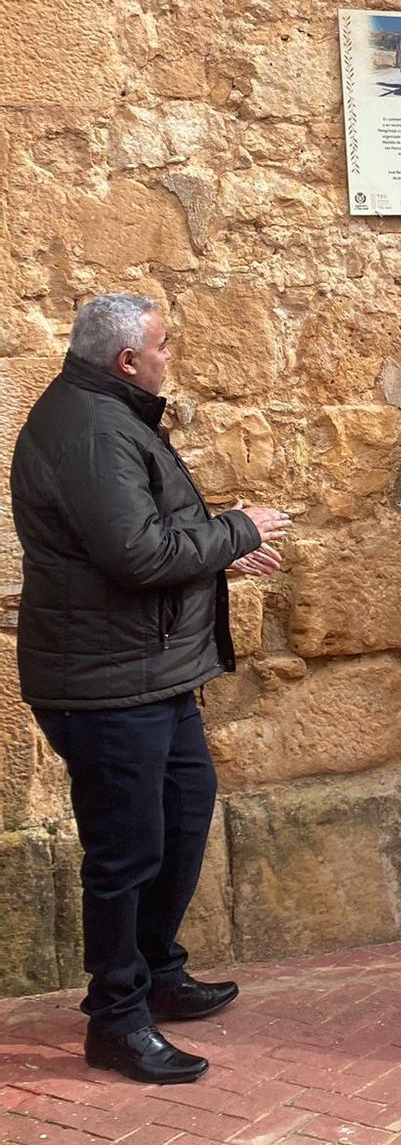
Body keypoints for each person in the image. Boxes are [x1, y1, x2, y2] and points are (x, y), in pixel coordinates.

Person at [9, 294, 291, 1085]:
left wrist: (212, 556)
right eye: (165, 346)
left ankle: (158, 971)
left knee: (180, 816)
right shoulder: (93, 430)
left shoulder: (107, 412)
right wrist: (237, 530)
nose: (173, 356)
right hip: (106, 685)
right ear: (128, 360)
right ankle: (117, 1017)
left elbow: (142, 541)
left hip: (149, 672)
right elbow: (134, 553)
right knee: (126, 851)